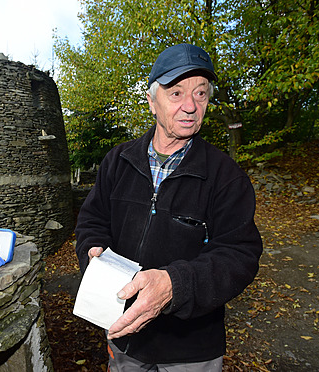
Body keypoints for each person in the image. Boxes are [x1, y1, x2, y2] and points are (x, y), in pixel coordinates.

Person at [74, 43, 263, 371]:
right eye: (176, 93)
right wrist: (92, 250)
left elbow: (239, 255)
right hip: (124, 334)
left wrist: (175, 285)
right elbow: (92, 219)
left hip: (191, 349)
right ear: (152, 102)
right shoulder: (117, 162)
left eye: (201, 94)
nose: (190, 105)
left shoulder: (227, 177)